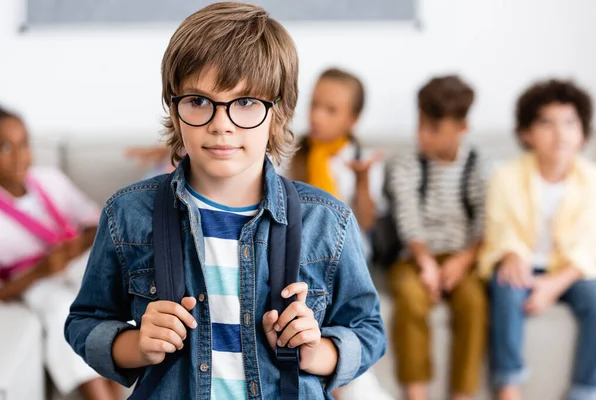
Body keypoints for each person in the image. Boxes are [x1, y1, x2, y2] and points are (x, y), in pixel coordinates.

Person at [64, 3, 386, 399]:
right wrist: (135, 346)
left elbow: (367, 329)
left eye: (246, 102)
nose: (221, 124)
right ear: (174, 106)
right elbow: (84, 321)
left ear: (279, 112)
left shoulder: (329, 221)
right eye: (199, 101)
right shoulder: (127, 214)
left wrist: (319, 352)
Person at [479, 79, 596, 400]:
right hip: (524, 264)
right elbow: (500, 227)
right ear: (526, 133)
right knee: (506, 286)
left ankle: (587, 389)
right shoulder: (505, 176)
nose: (560, 133)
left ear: (583, 133)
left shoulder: (594, 180)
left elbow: (591, 245)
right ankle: (508, 381)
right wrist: (512, 254)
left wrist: (554, 284)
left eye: (570, 123)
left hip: (571, 271)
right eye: (547, 123)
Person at [0, 107, 120, 400]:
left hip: (73, 261)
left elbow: (98, 223)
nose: (19, 156)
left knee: (109, 287)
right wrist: (41, 270)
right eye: (5, 147)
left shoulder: (48, 179)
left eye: (24, 143)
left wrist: (74, 247)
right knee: (60, 311)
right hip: (34, 281)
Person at [288, 68, 392, 400]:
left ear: (353, 119)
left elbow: (367, 223)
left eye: (330, 110)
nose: (317, 116)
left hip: (345, 265)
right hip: (301, 262)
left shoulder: (361, 161)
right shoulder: (292, 153)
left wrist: (362, 181)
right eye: (314, 104)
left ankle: (344, 377)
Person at [386, 76, 488, 400]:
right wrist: (425, 261)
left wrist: (463, 260)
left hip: (461, 255)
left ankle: (463, 393)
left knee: (473, 301)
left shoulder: (477, 164)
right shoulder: (406, 162)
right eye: (420, 124)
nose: (422, 135)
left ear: (461, 128)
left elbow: (486, 221)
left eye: (433, 128)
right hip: (415, 257)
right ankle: (417, 393)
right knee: (409, 296)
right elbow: (408, 216)